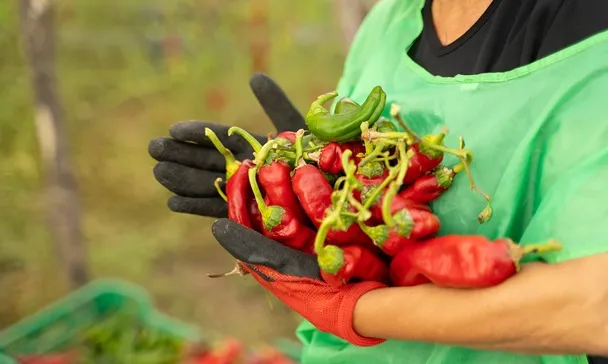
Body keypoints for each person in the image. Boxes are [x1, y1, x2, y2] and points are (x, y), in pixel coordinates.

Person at [148, 0, 608, 363]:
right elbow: (371, 234)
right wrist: (306, 175)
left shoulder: (591, 33)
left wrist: (352, 311)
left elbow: (595, 305)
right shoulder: (390, 22)